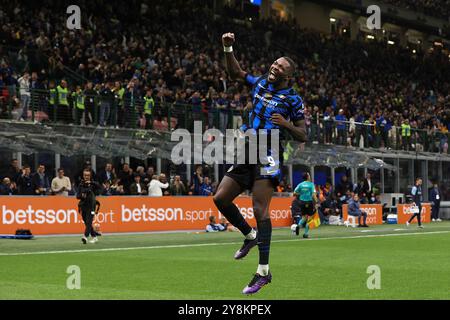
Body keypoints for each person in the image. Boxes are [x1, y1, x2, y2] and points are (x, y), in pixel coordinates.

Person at [213, 32, 307, 295]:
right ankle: (249, 235)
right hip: (248, 148)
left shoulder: (293, 100)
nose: (275, 68)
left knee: (260, 209)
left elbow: (303, 134)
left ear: (289, 76)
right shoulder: (261, 83)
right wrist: (228, 47)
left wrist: (287, 124)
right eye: (275, 64)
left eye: (281, 67)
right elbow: (236, 74)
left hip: (269, 153)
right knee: (220, 198)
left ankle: (263, 272)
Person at [76, 169, 101, 244]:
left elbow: (99, 187)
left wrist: (91, 182)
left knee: (89, 222)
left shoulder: (93, 184)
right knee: (87, 223)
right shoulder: (81, 184)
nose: (86, 177)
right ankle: (94, 236)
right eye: (85, 175)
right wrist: (82, 196)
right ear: (83, 176)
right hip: (84, 206)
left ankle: (85, 237)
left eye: (88, 175)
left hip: (91, 206)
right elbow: (77, 196)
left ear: (90, 176)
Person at [293, 172, 318, 238]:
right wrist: (316, 202)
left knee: (304, 217)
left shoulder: (300, 184)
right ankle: (306, 234)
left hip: (301, 202)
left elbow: (294, 193)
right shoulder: (311, 184)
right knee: (309, 218)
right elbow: (313, 194)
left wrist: (301, 194)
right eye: (309, 175)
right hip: (309, 202)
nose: (310, 176)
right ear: (307, 177)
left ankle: (298, 226)